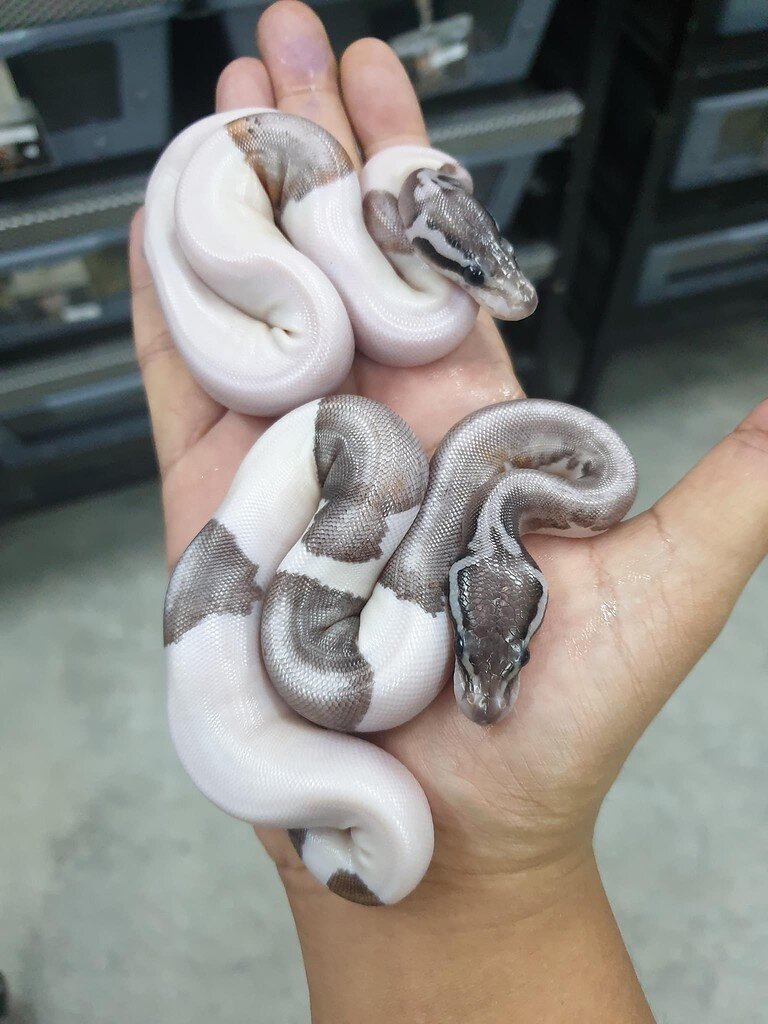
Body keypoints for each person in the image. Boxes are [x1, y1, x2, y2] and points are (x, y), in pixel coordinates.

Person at [129, 2, 768, 1019]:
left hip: (342, 470)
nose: (483, 686)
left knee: (335, 367)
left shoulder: (445, 495)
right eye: (491, 646)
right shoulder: (415, 471)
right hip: (344, 453)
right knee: (332, 361)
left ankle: (192, 207)